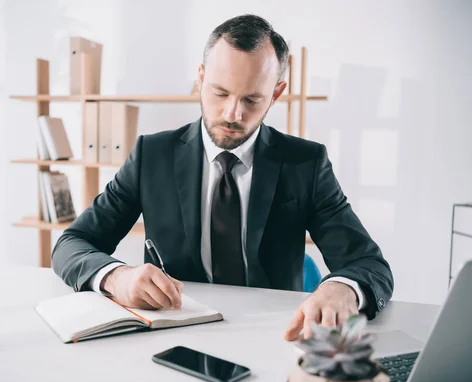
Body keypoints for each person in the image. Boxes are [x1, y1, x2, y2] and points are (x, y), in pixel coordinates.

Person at [52, 14, 393, 341]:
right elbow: (72, 244)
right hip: (174, 333)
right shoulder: (150, 156)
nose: (233, 113)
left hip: (275, 334)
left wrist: (343, 288)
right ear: (200, 79)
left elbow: (368, 264)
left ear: (276, 93)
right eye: (220, 93)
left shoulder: (306, 163)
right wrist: (115, 276)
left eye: (252, 99)